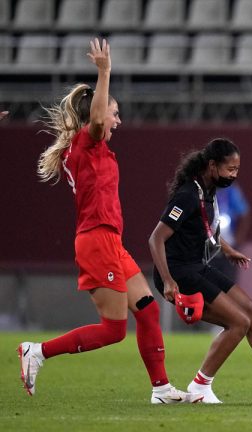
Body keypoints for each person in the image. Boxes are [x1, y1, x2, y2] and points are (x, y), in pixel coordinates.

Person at [18, 38, 201, 404]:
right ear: (97, 115)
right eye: (115, 112)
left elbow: (100, 120)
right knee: (115, 331)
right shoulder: (89, 142)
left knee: (147, 310)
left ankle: (162, 389)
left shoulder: (90, 148)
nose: (117, 119)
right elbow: (100, 119)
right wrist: (105, 72)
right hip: (96, 241)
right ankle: (37, 351)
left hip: (110, 242)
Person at [148, 138, 252, 404]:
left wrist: (228, 249)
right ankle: (200, 385)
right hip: (179, 273)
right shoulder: (188, 195)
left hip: (198, 266)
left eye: (237, 169)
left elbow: (202, 229)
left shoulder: (207, 192)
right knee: (238, 322)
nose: (234, 175)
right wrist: (167, 281)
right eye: (230, 169)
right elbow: (156, 239)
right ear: (212, 166)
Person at [208, 183, 251, 282]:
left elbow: (244, 214)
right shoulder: (204, 190)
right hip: (208, 243)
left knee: (228, 277)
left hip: (229, 242)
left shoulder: (232, 191)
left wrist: (239, 237)